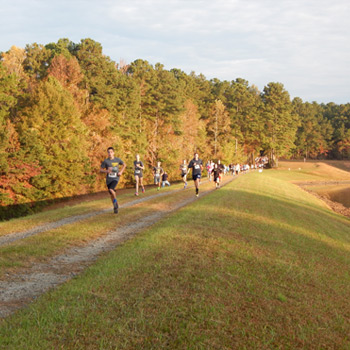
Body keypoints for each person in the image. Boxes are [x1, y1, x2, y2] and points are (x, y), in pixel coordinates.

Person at [100, 147, 126, 214]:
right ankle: (115, 207)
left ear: (113, 153)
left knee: (111, 189)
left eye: (111, 152)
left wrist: (121, 172)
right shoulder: (106, 161)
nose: (110, 153)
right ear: (107, 153)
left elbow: (124, 164)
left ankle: (116, 202)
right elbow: (100, 170)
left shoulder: (117, 160)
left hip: (115, 178)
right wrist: (106, 171)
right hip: (108, 180)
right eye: (108, 152)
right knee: (111, 194)